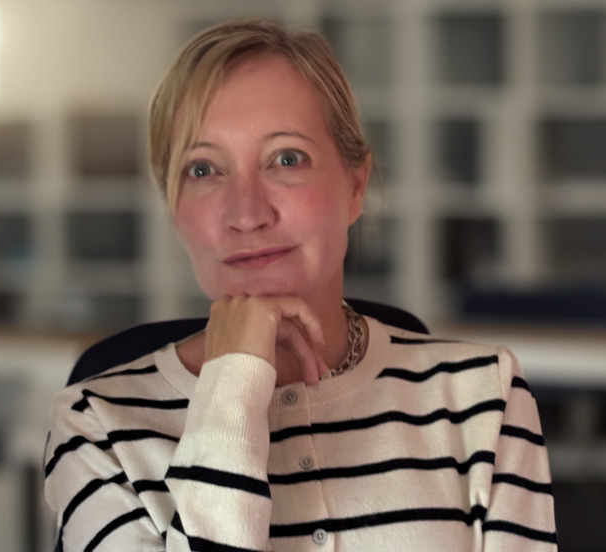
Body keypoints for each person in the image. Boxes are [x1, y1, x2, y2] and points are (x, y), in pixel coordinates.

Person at [44, 18, 557, 551]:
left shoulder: (482, 395)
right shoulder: (96, 426)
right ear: (174, 208)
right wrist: (232, 390)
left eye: (286, 159)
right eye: (203, 170)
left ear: (355, 186)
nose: (247, 213)